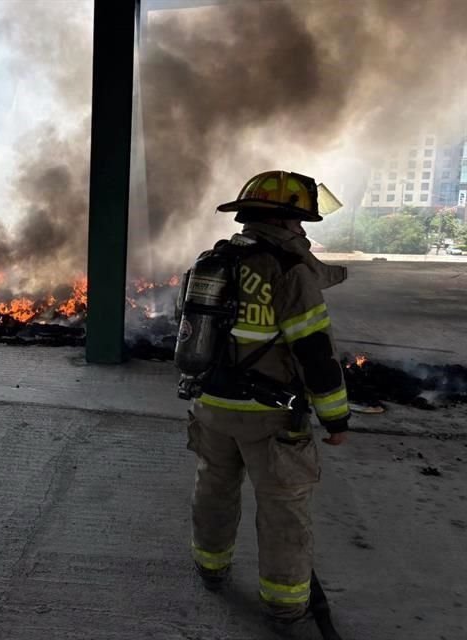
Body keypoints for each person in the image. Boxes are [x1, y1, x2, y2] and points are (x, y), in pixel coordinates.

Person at [186, 170, 350, 624]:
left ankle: (210, 567)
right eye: (299, 223)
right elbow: (315, 353)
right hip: (270, 417)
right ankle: (285, 603)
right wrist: (336, 419)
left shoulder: (213, 261)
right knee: (283, 509)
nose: (302, 231)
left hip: (212, 408)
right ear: (285, 222)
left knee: (213, 491)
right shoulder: (289, 270)